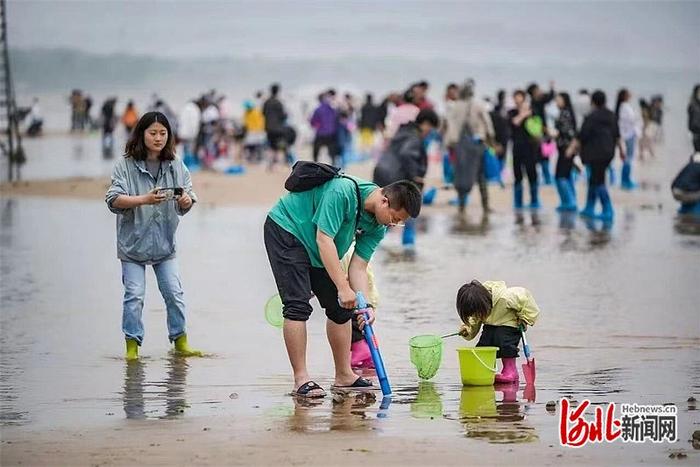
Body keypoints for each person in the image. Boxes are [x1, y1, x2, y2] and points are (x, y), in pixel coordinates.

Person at [264, 174, 422, 398]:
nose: (393, 224)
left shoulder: (377, 226)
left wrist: (365, 304)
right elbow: (324, 239)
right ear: (384, 201)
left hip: (318, 248)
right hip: (287, 230)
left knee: (342, 308)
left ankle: (344, 375)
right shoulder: (343, 192)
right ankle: (301, 380)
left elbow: (358, 267)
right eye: (395, 218)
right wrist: (342, 286)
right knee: (297, 306)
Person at [105, 111, 202, 360]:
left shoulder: (176, 164)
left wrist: (185, 199)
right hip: (132, 245)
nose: (158, 138)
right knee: (134, 296)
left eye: (163, 133)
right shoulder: (125, 165)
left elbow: (188, 198)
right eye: (153, 133)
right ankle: (132, 348)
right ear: (142, 134)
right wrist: (145, 200)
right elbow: (113, 199)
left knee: (174, 293)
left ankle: (180, 342)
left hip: (165, 245)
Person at [373, 108, 439, 248]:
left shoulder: (403, 131)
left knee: (382, 218)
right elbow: (406, 154)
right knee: (408, 213)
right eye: (431, 129)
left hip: (382, 174)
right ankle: (409, 250)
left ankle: (372, 249)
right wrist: (415, 174)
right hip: (397, 178)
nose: (430, 133)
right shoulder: (414, 136)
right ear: (426, 124)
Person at [456, 280, 540, 384]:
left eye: (479, 312)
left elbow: (527, 301)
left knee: (505, 344)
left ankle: (510, 371)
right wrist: (467, 330)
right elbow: (474, 322)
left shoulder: (507, 297)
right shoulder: (477, 306)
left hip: (509, 326)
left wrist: (525, 318)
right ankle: (485, 371)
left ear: (484, 302)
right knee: (483, 346)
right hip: (489, 327)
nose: (478, 315)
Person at [568, 90, 625, 221]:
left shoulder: (591, 117)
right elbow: (617, 136)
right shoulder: (612, 116)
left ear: (592, 102)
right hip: (608, 153)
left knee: (597, 180)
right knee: (595, 179)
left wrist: (571, 150)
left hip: (594, 153)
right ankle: (590, 207)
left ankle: (607, 209)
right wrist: (622, 151)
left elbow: (581, 136)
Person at [452, 79, 496, 213]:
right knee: (481, 175)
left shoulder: (456, 106)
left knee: (461, 175)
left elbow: (448, 127)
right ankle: (485, 206)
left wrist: (450, 144)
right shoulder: (478, 105)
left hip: (460, 145)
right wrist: (492, 141)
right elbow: (488, 125)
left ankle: (461, 206)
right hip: (478, 144)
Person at [509, 90, 539, 209]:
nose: (517, 100)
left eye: (519, 97)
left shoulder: (533, 112)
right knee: (517, 175)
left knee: (532, 173)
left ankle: (534, 200)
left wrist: (528, 114)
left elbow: (537, 127)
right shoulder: (512, 112)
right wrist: (523, 114)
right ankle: (518, 202)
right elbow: (514, 123)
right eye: (515, 97)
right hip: (517, 146)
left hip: (530, 147)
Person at [552, 92, 578, 211]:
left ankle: (568, 202)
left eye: (559, 100)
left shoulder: (565, 114)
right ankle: (571, 200)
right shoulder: (567, 113)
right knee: (566, 175)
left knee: (560, 175)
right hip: (567, 148)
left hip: (566, 149)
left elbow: (569, 133)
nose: (557, 102)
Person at [527, 81, 556, 185]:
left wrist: (552, 88)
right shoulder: (533, 104)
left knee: (545, 154)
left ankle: (546, 177)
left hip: (543, 132)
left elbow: (550, 97)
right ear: (534, 92)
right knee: (540, 156)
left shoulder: (540, 101)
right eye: (538, 90)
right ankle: (545, 178)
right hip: (538, 133)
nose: (540, 91)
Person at [615, 88, 640, 189]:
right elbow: (631, 119)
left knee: (627, 158)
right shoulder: (625, 107)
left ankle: (625, 180)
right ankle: (625, 181)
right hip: (629, 134)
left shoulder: (622, 107)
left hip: (627, 134)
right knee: (628, 158)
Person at [309, 91, 340, 166]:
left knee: (316, 152)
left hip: (320, 133)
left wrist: (319, 125)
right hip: (331, 134)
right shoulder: (332, 109)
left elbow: (312, 122)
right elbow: (336, 120)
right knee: (332, 154)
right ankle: (334, 166)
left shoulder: (318, 109)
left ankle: (315, 164)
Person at [262, 83, 288, 170]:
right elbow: (283, 116)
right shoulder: (278, 102)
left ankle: (271, 164)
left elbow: (263, 113)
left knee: (271, 146)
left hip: (269, 128)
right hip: (278, 128)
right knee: (281, 146)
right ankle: (282, 163)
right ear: (278, 91)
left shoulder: (266, 102)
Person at [490, 89, 510, 170]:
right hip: (500, 136)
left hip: (501, 136)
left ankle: (497, 173)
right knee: (498, 155)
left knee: (498, 155)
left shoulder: (500, 109)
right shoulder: (500, 110)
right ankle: (497, 173)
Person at [687, 84, 700, 152]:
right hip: (695, 131)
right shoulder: (692, 105)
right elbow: (690, 119)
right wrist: (689, 130)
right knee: (697, 150)